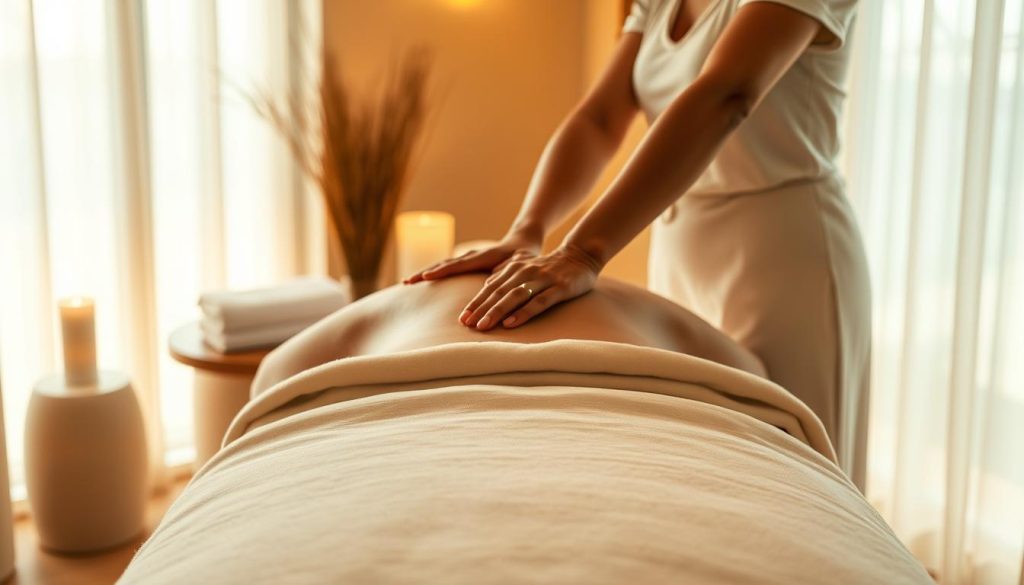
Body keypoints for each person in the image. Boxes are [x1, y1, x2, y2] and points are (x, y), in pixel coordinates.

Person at [404, 0, 870, 489]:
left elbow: (726, 93)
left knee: (800, 479)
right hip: (681, 245)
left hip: (784, 255)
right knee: (710, 472)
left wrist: (581, 252)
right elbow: (601, 118)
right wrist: (528, 230)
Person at [253, 274, 766, 396]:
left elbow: (273, 375)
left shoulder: (411, 293)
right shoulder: (625, 295)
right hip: (640, 393)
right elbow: (753, 376)